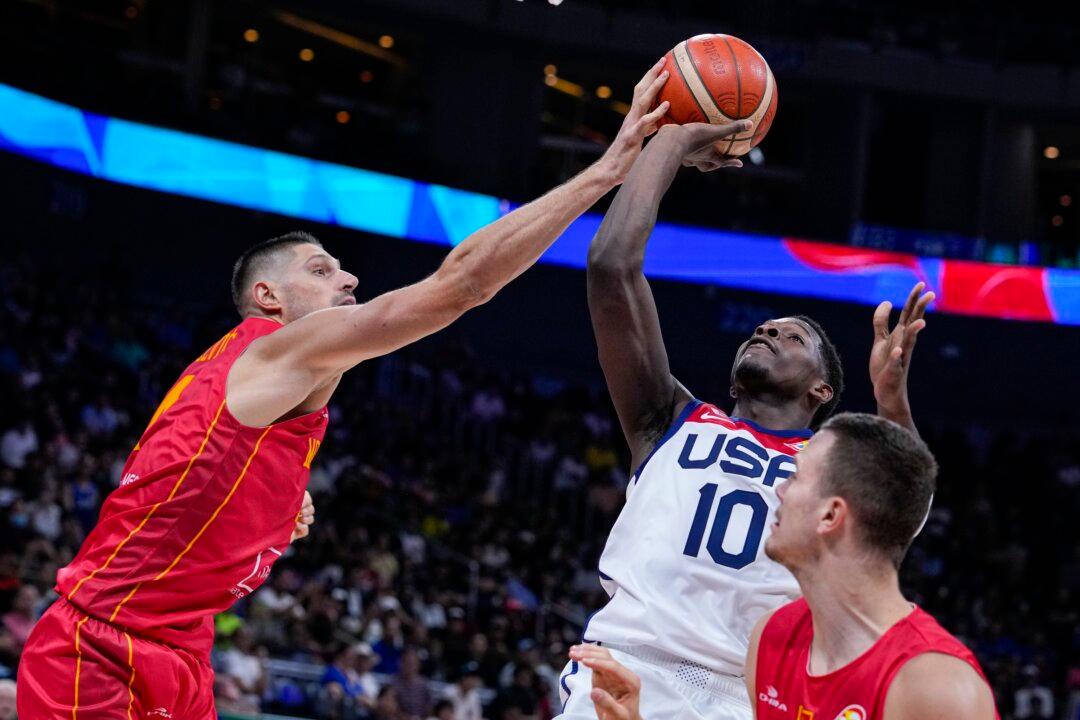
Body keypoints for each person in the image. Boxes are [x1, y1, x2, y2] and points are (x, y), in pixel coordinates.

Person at [16, 57, 680, 719]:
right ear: (267, 297)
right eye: (321, 269)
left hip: (180, 656)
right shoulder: (272, 347)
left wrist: (274, 509)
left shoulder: (264, 393)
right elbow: (464, 286)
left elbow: (178, 478)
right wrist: (608, 167)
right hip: (101, 650)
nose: (349, 280)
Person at [559, 119, 934, 720]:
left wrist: (892, 403)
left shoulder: (832, 463)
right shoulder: (668, 417)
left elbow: (904, 511)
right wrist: (672, 143)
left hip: (750, 694)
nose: (768, 330)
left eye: (794, 336)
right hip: (628, 665)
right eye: (765, 327)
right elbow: (610, 266)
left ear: (822, 388)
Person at [566, 413, 997, 720]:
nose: (777, 490)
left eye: (794, 477)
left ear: (831, 516)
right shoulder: (772, 640)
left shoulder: (936, 687)